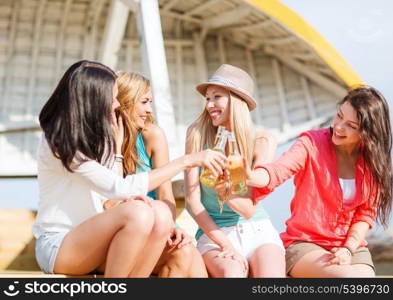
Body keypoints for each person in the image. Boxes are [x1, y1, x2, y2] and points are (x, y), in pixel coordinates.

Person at [33, 60, 227, 277]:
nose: (117, 104)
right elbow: (119, 188)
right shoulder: (61, 139)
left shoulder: (102, 136)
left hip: (98, 242)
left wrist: (116, 152)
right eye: (113, 98)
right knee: (139, 213)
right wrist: (187, 160)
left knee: (169, 227)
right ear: (94, 98)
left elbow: (114, 195)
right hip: (60, 246)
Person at [247, 85, 393, 277]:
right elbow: (278, 171)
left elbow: (365, 215)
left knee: (367, 285)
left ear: (367, 133)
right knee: (351, 280)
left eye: (351, 125)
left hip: (350, 246)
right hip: (305, 243)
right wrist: (251, 175)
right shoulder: (310, 143)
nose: (339, 127)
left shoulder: (372, 159)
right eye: (339, 115)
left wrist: (348, 249)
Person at [184, 64, 285, 278]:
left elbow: (248, 210)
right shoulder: (196, 134)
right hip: (214, 235)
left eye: (217, 97)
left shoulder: (262, 141)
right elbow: (192, 202)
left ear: (237, 101)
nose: (209, 104)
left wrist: (225, 191)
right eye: (207, 98)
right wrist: (226, 244)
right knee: (232, 275)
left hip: (258, 230)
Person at [113, 71, 207, 277]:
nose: (148, 110)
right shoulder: (104, 139)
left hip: (160, 222)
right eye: (144, 102)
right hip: (125, 229)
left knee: (187, 251)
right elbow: (109, 201)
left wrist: (170, 226)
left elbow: (166, 195)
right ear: (124, 102)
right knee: (187, 255)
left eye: (150, 102)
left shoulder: (152, 135)